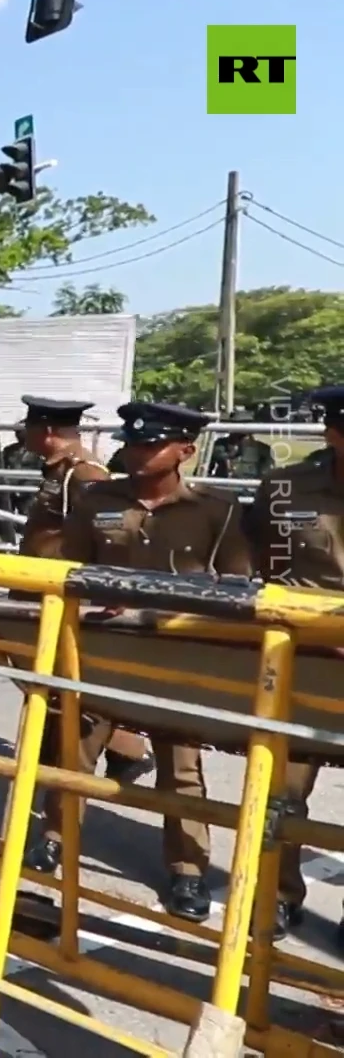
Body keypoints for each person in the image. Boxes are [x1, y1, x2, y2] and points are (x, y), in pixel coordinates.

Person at [26, 400, 249, 922]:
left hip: (177, 651)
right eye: (133, 443)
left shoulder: (217, 510)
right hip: (102, 646)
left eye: (153, 444)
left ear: (185, 451)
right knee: (75, 747)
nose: (138, 452)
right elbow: (73, 568)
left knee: (181, 762)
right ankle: (55, 837)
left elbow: (238, 584)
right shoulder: (96, 498)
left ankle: (188, 869)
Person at [245, 383, 344, 944]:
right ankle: (276, 895)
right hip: (300, 660)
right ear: (333, 434)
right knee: (280, 789)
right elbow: (264, 560)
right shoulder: (285, 486)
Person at [13, 396, 155, 784]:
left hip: (66, 596)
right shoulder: (60, 471)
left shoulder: (84, 474)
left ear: (45, 431)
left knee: (66, 679)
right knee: (45, 676)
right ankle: (111, 751)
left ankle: (127, 749)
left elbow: (111, 535)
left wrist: (108, 593)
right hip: (44, 592)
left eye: (27, 426)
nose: (21, 432)